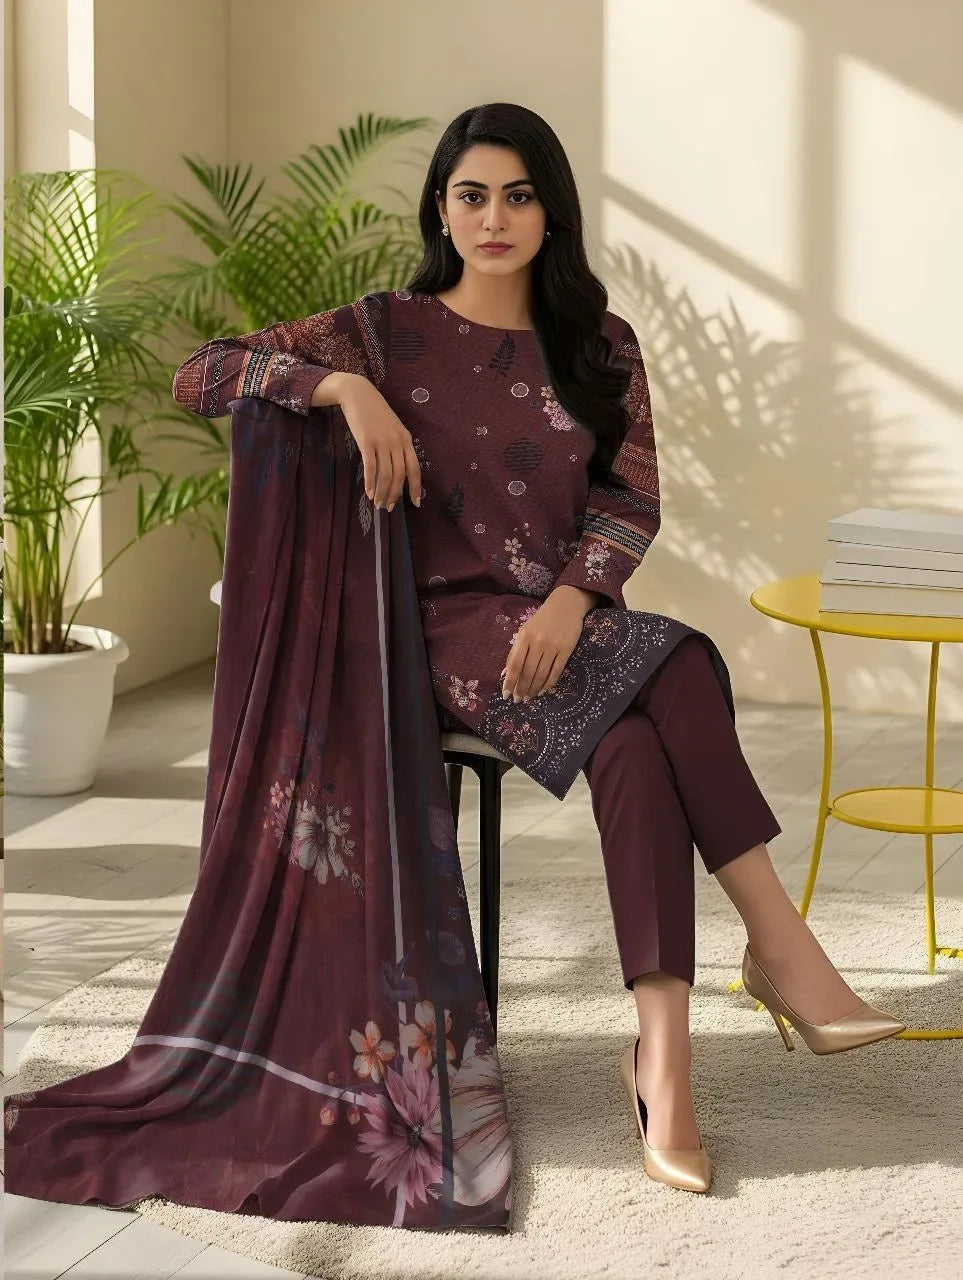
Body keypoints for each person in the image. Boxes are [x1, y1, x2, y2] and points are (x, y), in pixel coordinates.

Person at [6, 104, 903, 1223]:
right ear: (441, 208)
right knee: (676, 666)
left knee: (637, 746)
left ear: (550, 213)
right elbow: (202, 373)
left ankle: (663, 1058)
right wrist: (342, 389)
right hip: (434, 630)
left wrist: (572, 599)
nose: (494, 217)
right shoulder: (386, 332)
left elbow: (631, 501)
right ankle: (780, 949)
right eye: (472, 195)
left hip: (563, 622)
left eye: (519, 196)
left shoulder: (600, 343)